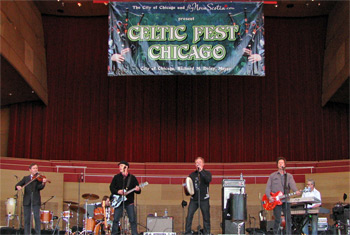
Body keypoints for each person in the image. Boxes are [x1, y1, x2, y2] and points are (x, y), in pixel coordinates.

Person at [265, 157, 301, 235]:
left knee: (288, 219)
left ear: (285, 165)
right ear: (277, 165)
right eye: (279, 163)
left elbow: (292, 185)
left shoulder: (289, 176)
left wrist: (296, 191)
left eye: (282, 163)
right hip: (276, 201)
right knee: (277, 219)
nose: (281, 164)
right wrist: (269, 197)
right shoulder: (272, 176)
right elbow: (268, 188)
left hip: (286, 200)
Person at [109, 161, 140, 235]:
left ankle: (134, 233)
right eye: (119, 166)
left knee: (132, 220)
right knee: (116, 219)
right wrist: (118, 191)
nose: (119, 167)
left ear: (126, 167)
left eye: (121, 165)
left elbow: (138, 191)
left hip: (129, 202)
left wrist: (138, 189)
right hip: (119, 202)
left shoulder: (132, 178)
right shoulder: (116, 177)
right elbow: (111, 188)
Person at [15, 163, 47, 235]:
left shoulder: (39, 178)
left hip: (36, 200)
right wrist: (18, 187)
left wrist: (43, 183)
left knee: (36, 218)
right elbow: (18, 184)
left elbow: (39, 188)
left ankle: (37, 233)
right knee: (27, 219)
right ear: (30, 170)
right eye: (34, 168)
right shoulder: (26, 178)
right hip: (27, 201)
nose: (36, 169)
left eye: (36, 168)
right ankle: (27, 233)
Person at [185, 157, 212, 235]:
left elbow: (208, 180)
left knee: (206, 217)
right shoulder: (192, 175)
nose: (198, 164)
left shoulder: (207, 173)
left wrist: (201, 171)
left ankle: (207, 233)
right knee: (189, 215)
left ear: (203, 164)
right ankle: (187, 232)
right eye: (197, 163)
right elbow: (188, 184)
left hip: (204, 199)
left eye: (200, 162)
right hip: (194, 199)